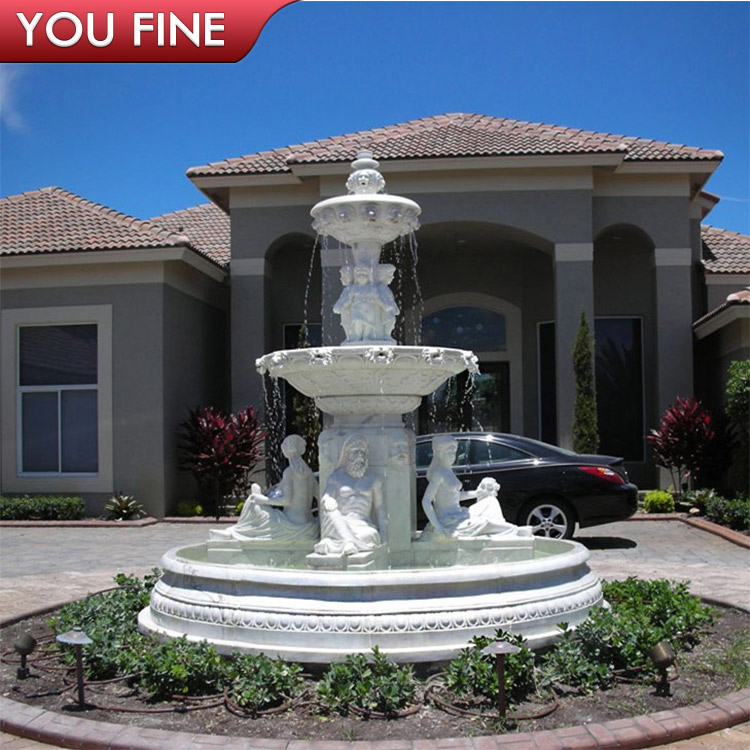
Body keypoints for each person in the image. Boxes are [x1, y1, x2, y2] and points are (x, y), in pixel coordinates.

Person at [209, 434, 318, 542]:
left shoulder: (289, 472)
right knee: (257, 505)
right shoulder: (309, 474)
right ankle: (234, 531)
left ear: (286, 451)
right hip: (306, 522)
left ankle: (233, 533)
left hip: (290, 524)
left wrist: (262, 500)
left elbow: (287, 500)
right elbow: (319, 496)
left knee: (253, 501)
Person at [421, 435, 517, 539]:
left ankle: (507, 530)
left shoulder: (448, 470)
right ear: (440, 454)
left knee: (490, 501)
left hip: (460, 514)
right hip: (449, 521)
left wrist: (477, 493)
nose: (453, 456)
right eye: (449, 453)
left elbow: (454, 497)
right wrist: (437, 526)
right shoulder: (438, 473)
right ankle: (513, 530)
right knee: (486, 523)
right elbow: (426, 501)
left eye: (454, 453)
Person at [314, 434, 386, 556]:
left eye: (362, 452)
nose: (359, 456)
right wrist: (327, 500)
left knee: (368, 535)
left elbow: (380, 509)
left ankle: (331, 544)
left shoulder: (374, 480)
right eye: (355, 452)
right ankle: (348, 543)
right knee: (331, 508)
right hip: (339, 520)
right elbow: (326, 497)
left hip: (363, 525)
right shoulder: (336, 477)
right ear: (346, 455)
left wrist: (384, 537)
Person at [333, 265, 399, 344]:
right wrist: (343, 305)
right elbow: (349, 300)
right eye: (359, 275)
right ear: (356, 277)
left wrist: (385, 306)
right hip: (357, 308)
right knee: (357, 322)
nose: (362, 277)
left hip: (369, 309)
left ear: (368, 277)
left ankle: (366, 337)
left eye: (364, 275)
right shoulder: (353, 288)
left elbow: (378, 299)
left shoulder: (372, 288)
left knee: (369, 324)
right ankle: (357, 338)